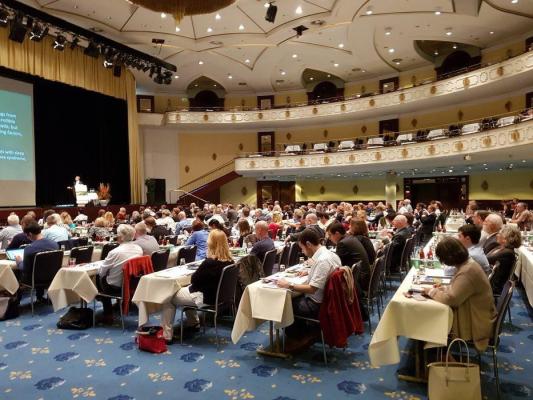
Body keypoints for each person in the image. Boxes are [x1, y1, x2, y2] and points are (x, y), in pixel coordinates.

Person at [423, 237, 496, 351]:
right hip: (476, 312)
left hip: (476, 321)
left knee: (429, 319)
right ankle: (439, 353)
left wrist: (431, 291)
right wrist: (444, 289)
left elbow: (451, 300)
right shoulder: (468, 264)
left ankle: (440, 355)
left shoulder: (467, 271)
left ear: (448, 258)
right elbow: (460, 290)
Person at [160, 229, 234, 342]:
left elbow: (194, 280)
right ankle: (193, 323)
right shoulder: (230, 262)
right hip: (219, 296)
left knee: (167, 296)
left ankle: (166, 335)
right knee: (184, 290)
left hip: (205, 297)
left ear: (211, 243)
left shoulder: (210, 263)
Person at [276, 229, 341, 352]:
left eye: (302, 248)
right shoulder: (330, 254)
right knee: (294, 298)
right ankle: (307, 332)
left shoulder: (322, 260)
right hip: (329, 299)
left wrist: (288, 285)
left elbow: (312, 289)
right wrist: (310, 271)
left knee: (285, 304)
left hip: (318, 304)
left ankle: (299, 338)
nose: (302, 251)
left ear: (309, 244)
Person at [97, 224, 143, 322]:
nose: (116, 236)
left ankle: (108, 314)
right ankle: (121, 304)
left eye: (117, 234)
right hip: (132, 284)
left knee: (99, 277)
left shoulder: (115, 252)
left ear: (121, 237)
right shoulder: (138, 249)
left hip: (116, 286)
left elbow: (101, 272)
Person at [15, 221, 59, 301]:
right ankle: (40, 296)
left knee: (16, 273)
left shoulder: (29, 248)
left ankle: (16, 302)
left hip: (34, 279)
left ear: (30, 234)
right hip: (52, 277)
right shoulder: (54, 244)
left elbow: (25, 269)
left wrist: (19, 262)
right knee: (40, 268)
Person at [327, 222, 370, 290]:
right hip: (364, 276)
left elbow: (336, 265)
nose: (329, 238)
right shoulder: (349, 237)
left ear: (337, 234)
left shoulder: (342, 243)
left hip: (359, 281)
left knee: (330, 281)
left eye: (330, 235)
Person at [486, 225, 521, 295]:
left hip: (492, 286)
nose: (497, 235)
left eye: (499, 234)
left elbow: (486, 261)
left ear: (505, 239)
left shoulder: (507, 253)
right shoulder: (500, 247)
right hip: (487, 278)